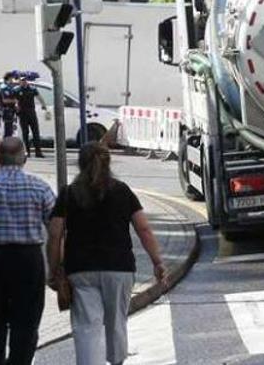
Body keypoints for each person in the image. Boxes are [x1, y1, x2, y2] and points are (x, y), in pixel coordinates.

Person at [47, 142, 167, 365]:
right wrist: (157, 262)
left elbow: (55, 234)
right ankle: (116, 361)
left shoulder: (69, 194)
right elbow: (143, 228)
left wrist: (53, 270)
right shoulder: (122, 190)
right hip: (119, 267)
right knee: (116, 323)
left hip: (80, 269)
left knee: (86, 326)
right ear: (108, 163)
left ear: (80, 164)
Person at [0, 137, 56, 365]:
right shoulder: (40, 188)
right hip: (27, 259)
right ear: (24, 158)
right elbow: (56, 230)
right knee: (26, 321)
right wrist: (56, 265)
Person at [15, 77, 48, 158]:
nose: (24, 82)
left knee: (36, 132)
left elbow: (39, 97)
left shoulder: (32, 89)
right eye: (22, 81)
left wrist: (43, 105)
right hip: (22, 113)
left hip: (31, 113)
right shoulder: (17, 90)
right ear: (20, 82)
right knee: (25, 133)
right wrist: (16, 107)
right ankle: (27, 152)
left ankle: (38, 152)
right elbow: (15, 100)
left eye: (25, 80)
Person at [0, 72, 18, 138]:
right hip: (6, 111)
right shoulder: (4, 87)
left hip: (10, 111)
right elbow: (5, 100)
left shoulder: (8, 87)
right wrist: (16, 101)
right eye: (12, 78)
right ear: (8, 78)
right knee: (7, 131)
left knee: (10, 131)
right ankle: (6, 146)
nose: (13, 80)